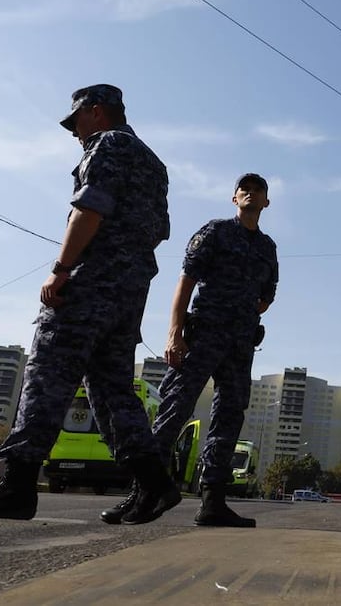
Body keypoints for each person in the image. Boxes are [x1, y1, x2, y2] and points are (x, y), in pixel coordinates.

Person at [0, 84, 177, 524]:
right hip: (131, 289)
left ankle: (17, 487)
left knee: (47, 373)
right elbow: (159, 230)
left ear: (97, 112)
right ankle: (153, 482)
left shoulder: (107, 144)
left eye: (76, 121)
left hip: (91, 282)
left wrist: (62, 268)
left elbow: (90, 210)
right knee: (111, 389)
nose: (73, 132)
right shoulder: (153, 162)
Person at [102, 173, 278, 528]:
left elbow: (266, 296)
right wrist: (174, 333)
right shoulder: (215, 232)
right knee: (174, 409)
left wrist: (242, 315)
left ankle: (213, 501)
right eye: (244, 189)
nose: (250, 193)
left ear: (266, 202)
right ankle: (145, 491)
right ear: (234, 199)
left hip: (240, 345)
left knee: (229, 417)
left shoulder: (267, 247)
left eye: (257, 190)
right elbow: (186, 281)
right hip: (202, 337)